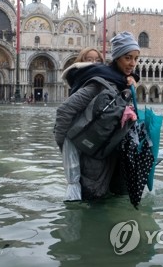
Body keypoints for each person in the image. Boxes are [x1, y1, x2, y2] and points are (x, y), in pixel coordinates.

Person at [54, 32, 140, 201]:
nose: (133, 63)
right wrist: (65, 147)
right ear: (116, 58)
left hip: (111, 158)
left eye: (136, 59)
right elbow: (64, 111)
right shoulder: (100, 83)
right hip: (92, 162)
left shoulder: (121, 82)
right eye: (128, 58)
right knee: (93, 204)